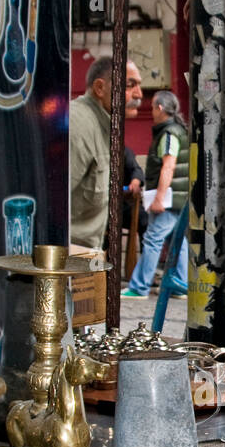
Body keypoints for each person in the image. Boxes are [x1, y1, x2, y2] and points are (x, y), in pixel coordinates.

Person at [69, 55, 143, 250]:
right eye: (130, 85)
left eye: (139, 85)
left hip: (84, 256)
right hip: (65, 258)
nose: (139, 94)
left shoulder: (105, 126)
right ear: (100, 88)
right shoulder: (79, 125)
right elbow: (50, 202)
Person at [122, 89, 189, 299]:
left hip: (168, 198)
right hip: (177, 197)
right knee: (177, 240)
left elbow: (168, 166)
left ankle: (139, 286)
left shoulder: (169, 133)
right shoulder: (177, 130)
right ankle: (181, 284)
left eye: (152, 107)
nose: (150, 111)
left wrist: (159, 197)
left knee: (152, 239)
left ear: (160, 108)